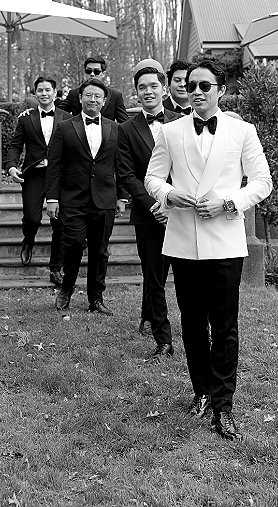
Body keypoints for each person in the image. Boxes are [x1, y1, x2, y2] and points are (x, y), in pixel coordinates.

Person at [145, 58, 272, 441]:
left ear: (221, 90)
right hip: (183, 242)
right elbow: (152, 177)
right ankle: (201, 392)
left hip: (224, 241)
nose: (196, 91)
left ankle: (224, 406)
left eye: (205, 85)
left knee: (225, 326)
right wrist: (169, 193)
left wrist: (229, 202)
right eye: (191, 85)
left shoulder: (242, 131)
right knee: (193, 325)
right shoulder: (169, 132)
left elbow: (263, 182)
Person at [116, 63, 178, 359]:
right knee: (154, 280)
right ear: (136, 93)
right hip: (148, 214)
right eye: (142, 87)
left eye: (154, 86)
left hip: (183, 213)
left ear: (164, 89)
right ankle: (163, 340)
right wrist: (156, 205)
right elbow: (127, 175)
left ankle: (198, 332)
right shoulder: (126, 130)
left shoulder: (183, 121)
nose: (148, 91)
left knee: (191, 278)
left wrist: (175, 205)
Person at [46, 77, 119, 315]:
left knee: (101, 250)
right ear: (80, 98)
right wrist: (52, 198)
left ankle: (95, 298)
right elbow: (54, 166)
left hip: (105, 199)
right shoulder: (65, 127)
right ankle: (66, 290)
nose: (93, 100)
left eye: (98, 96)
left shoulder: (114, 128)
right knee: (74, 244)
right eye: (88, 95)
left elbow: (120, 165)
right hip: (73, 199)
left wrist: (122, 197)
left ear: (104, 101)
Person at [5, 75, 70, 286]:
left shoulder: (68, 117)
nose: (44, 94)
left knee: (59, 223)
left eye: (48, 90)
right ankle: (29, 240)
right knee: (32, 218)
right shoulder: (26, 118)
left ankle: (56, 268)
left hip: (59, 177)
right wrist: (12, 166)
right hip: (33, 175)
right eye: (40, 90)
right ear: (35, 93)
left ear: (55, 93)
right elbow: (15, 145)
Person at [58, 56, 129, 122]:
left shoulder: (115, 96)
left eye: (96, 71)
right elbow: (57, 114)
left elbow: (124, 123)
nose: (92, 74)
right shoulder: (73, 94)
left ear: (103, 74)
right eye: (88, 71)